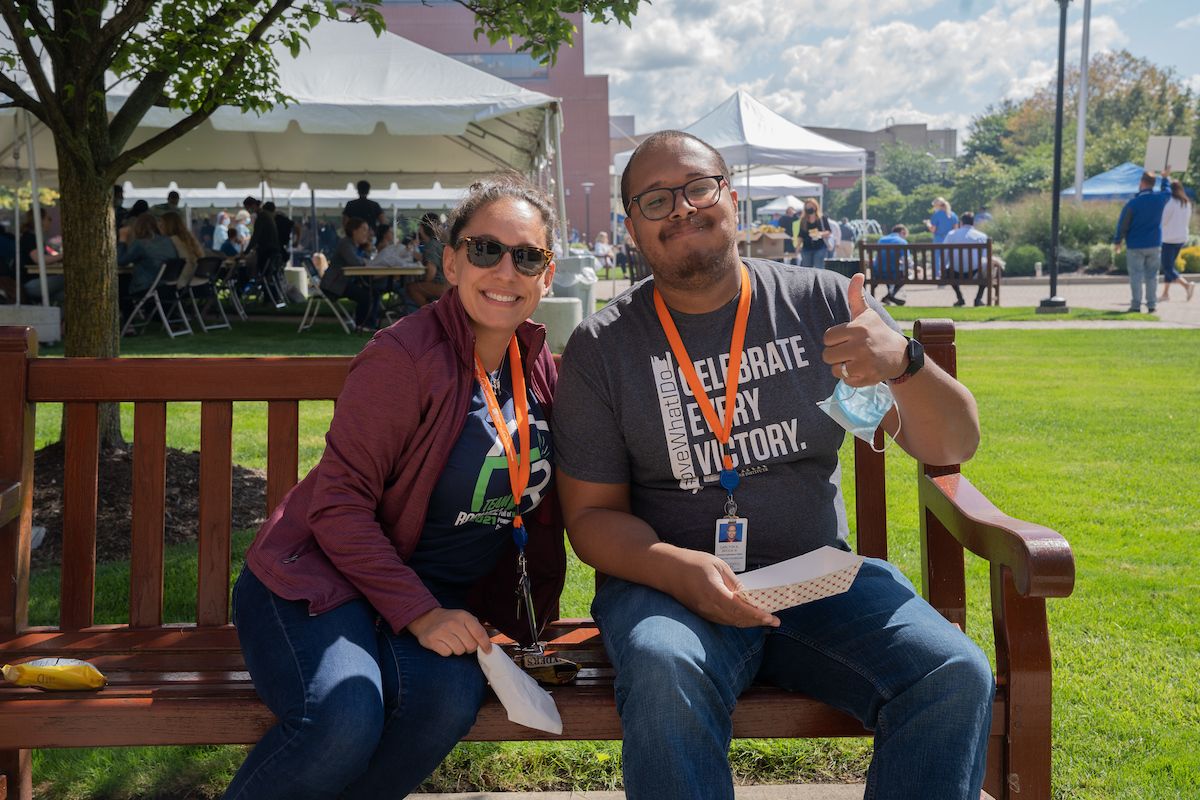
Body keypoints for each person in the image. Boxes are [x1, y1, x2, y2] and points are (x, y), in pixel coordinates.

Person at [552, 130, 992, 800]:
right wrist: (678, 569)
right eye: (655, 200)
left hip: (816, 582)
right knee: (666, 668)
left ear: (731, 196)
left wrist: (903, 363)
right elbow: (592, 517)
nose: (682, 209)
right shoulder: (604, 346)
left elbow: (947, 447)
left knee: (951, 673)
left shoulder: (820, 306)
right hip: (669, 589)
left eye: (699, 187)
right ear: (632, 227)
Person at [225, 173, 564, 800]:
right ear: (453, 260)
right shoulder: (403, 357)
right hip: (321, 582)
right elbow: (338, 504)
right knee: (342, 714)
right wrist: (421, 612)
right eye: (486, 250)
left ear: (547, 274)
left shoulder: (541, 365)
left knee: (443, 702)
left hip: (430, 596)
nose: (505, 270)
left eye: (527, 256)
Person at [1113, 168, 1172, 313]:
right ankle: (1152, 305)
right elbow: (1168, 192)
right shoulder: (1160, 199)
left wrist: (1118, 241)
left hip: (1135, 245)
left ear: (1142, 183)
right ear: (1153, 184)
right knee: (1152, 276)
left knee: (1136, 276)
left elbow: (1123, 224)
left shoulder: (1132, 204)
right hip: (1154, 243)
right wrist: (1165, 178)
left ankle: (1135, 305)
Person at [321, 216, 381, 331]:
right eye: (364, 229)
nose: (367, 233)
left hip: (344, 282)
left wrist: (367, 251)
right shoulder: (346, 244)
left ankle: (370, 324)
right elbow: (356, 262)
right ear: (354, 231)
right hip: (334, 285)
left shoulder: (355, 245)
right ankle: (362, 325)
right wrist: (367, 258)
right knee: (366, 296)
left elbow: (365, 262)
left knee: (374, 293)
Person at [942, 211, 991, 307]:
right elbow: (985, 257)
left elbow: (944, 255)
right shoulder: (981, 236)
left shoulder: (951, 235)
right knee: (989, 269)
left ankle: (960, 298)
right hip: (974, 273)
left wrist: (943, 269)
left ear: (961, 222)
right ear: (973, 223)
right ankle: (978, 298)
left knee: (948, 270)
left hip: (954, 274)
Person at [17, 207, 65, 304]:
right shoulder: (29, 238)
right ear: (40, 220)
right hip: (31, 283)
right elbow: (38, 259)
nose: (50, 222)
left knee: (65, 296)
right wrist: (62, 256)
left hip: (36, 281)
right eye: (48, 219)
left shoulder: (34, 238)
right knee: (69, 278)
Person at [1158, 179, 1194, 302]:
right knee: (1170, 266)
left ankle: (1186, 285)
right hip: (1181, 238)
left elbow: (1163, 221)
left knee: (1167, 267)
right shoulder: (1186, 203)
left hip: (1169, 239)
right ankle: (1165, 294)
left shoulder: (1171, 203)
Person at [408, 212, 449, 308]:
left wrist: (424, 282)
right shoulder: (436, 243)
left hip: (442, 285)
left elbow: (431, 271)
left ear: (421, 229)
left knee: (412, 288)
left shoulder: (431, 245)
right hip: (448, 283)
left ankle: (431, 315)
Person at [874, 224, 909, 305]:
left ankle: (889, 296)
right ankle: (890, 296)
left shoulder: (881, 240)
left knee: (888, 269)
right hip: (894, 273)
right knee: (904, 276)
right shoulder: (902, 242)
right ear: (903, 232)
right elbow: (906, 261)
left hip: (879, 273)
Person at [925, 197, 958, 280]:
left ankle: (938, 275)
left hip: (939, 240)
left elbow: (933, 229)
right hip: (951, 241)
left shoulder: (936, 215)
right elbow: (956, 230)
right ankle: (948, 274)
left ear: (937, 206)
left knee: (937, 258)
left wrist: (928, 223)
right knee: (949, 257)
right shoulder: (953, 215)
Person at [796, 199, 832, 269]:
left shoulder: (822, 218)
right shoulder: (803, 220)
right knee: (806, 269)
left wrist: (819, 234)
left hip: (820, 247)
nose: (809, 208)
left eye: (811, 206)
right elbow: (800, 235)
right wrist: (797, 247)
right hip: (806, 248)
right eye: (807, 207)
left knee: (819, 268)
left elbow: (829, 231)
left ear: (815, 207)